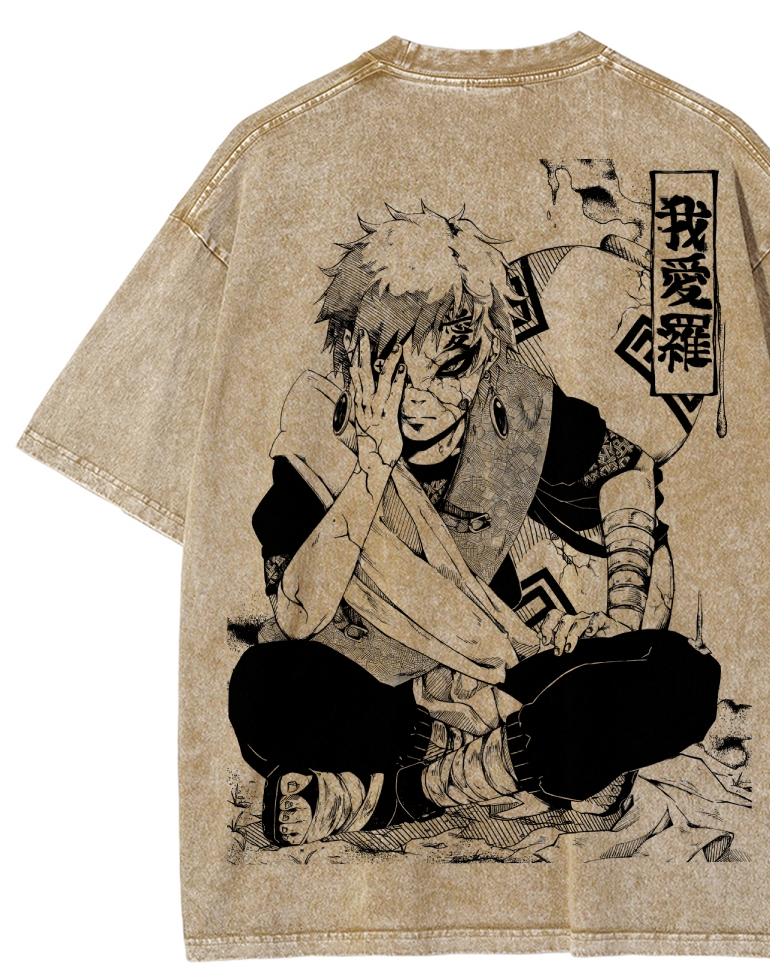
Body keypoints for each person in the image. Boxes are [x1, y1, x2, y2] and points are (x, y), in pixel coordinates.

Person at [227, 204, 720, 846]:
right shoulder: (317, 435)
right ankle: (534, 759)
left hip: (505, 667)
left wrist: (620, 618)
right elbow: (297, 613)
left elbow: (626, 469)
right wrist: (373, 467)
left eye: (450, 367)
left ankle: (394, 797)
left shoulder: (512, 406)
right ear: (353, 354)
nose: (422, 397)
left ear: (483, 356)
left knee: (685, 677)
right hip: (382, 691)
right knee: (260, 694)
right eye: (397, 369)